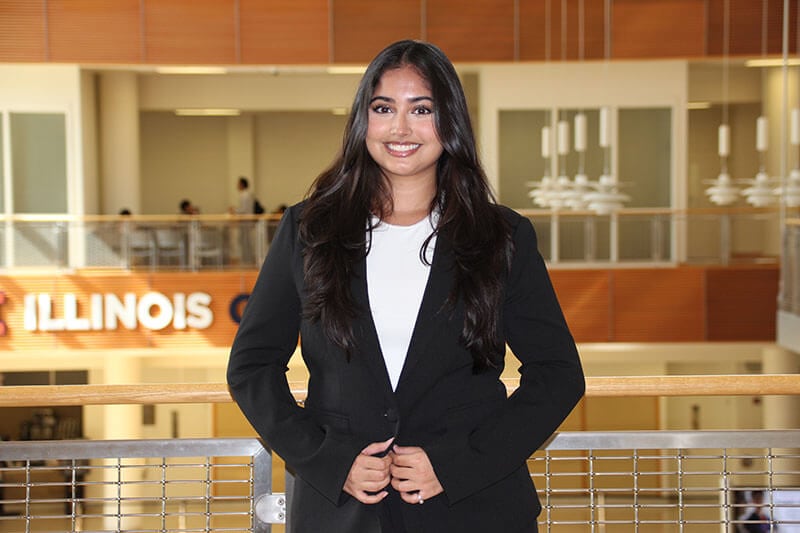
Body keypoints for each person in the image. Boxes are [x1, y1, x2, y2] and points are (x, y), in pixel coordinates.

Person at [227, 40, 584, 533]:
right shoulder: (309, 230)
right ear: (362, 121)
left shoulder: (502, 236)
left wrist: (460, 463)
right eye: (383, 108)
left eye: (422, 109)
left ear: (450, 123)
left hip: (472, 511)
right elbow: (251, 366)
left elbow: (558, 373)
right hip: (340, 514)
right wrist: (327, 459)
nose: (400, 128)